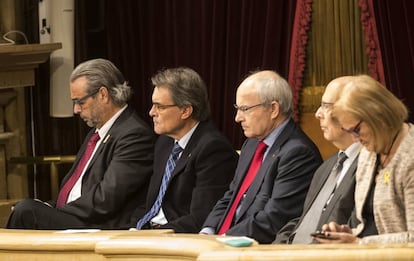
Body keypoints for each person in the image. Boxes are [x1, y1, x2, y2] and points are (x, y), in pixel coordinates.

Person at [7, 58, 155, 229]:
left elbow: (105, 199)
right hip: (78, 217)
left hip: (100, 225)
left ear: (103, 95)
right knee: (25, 207)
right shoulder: (96, 133)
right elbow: (75, 191)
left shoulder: (134, 135)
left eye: (80, 102)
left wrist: (56, 212)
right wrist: (49, 207)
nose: (76, 110)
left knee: (27, 211)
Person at [200, 70, 323, 244]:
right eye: (237, 109)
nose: (237, 118)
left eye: (245, 109)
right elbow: (232, 196)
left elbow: (275, 218)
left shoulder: (298, 153)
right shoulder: (251, 144)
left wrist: (223, 240)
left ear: (273, 109)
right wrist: (208, 231)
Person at [129, 67, 238, 232]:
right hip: (147, 231)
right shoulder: (164, 143)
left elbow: (201, 216)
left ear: (186, 110)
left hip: (176, 238)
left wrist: (155, 236)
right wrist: (133, 230)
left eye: (159, 106)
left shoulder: (213, 149)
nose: (151, 112)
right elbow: (150, 204)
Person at [315, 74, 414, 244]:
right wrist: (348, 233)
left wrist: (358, 243)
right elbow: (371, 225)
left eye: (356, 130)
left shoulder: (410, 156)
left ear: (378, 116)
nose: (354, 139)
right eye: (348, 132)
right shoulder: (368, 154)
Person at [274, 76, 360, 244]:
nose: (317, 114)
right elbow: (304, 220)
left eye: (326, 106)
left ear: (353, 111)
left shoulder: (371, 167)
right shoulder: (326, 166)